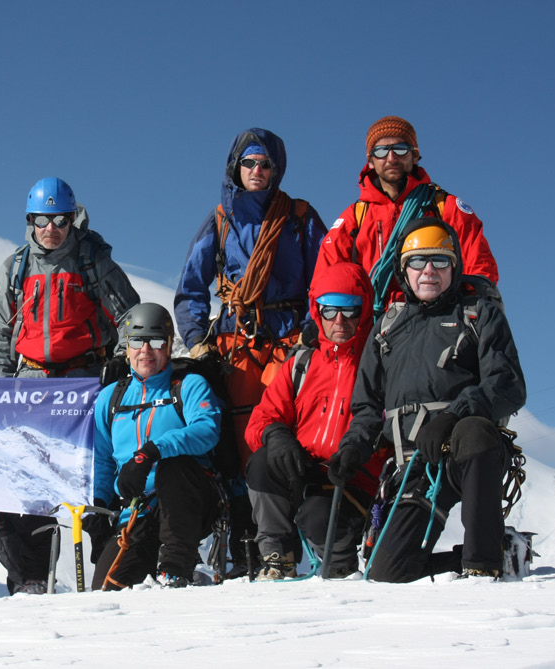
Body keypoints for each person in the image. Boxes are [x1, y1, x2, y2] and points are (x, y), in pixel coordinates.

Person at [329, 219, 526, 582]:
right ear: (404, 270)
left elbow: (507, 383)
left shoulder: (478, 314)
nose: (429, 271)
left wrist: (454, 416)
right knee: (387, 573)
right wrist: (353, 449)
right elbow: (368, 407)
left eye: (440, 260)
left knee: (475, 434)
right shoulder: (387, 327)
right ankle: (498, 549)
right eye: (418, 262)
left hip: (465, 451)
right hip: (416, 463)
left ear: (455, 266)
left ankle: (483, 563)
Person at [174, 127, 327, 574]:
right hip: (238, 346)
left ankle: (293, 546)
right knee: (242, 447)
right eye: (249, 164)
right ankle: (250, 548)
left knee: (289, 439)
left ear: (277, 170)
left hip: (290, 345)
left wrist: (311, 331)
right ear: (235, 168)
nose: (257, 171)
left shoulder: (299, 217)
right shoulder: (221, 220)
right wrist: (197, 340)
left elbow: (326, 277)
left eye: (265, 164)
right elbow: (191, 286)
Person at [0, 177, 140, 594]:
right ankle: (32, 578)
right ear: (29, 220)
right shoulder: (16, 266)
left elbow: (131, 314)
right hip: (32, 383)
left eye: (60, 219)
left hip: (84, 381)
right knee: (27, 480)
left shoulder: (92, 261)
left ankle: (111, 575)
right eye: (42, 219)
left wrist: (121, 363)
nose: (50, 228)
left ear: (72, 219)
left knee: (93, 479)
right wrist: (4, 387)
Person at [244, 263, 386, 579]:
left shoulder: (378, 364)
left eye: (350, 310)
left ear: (364, 310)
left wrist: (365, 456)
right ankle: (277, 557)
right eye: (330, 310)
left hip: (354, 475)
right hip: (303, 466)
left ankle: (340, 568)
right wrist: (277, 435)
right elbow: (261, 420)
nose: (340, 320)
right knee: (262, 462)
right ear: (316, 310)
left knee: (319, 517)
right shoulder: (301, 364)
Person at [87, 303, 223, 589]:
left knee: (174, 464)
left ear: (169, 345)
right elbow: (102, 460)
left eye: (157, 341)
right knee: (106, 591)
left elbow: (207, 429)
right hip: (136, 513)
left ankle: (178, 566)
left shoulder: (188, 385)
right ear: (126, 346)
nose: (146, 351)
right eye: (137, 341)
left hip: (191, 501)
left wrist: (150, 452)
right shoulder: (111, 397)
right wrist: (99, 506)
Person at [315, 115, 499, 315]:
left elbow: (478, 266)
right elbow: (326, 277)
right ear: (370, 161)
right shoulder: (355, 217)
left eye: (400, 149)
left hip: (434, 318)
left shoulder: (445, 207)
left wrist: (468, 310)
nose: (391, 158)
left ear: (415, 156)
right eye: (381, 151)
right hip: (373, 322)